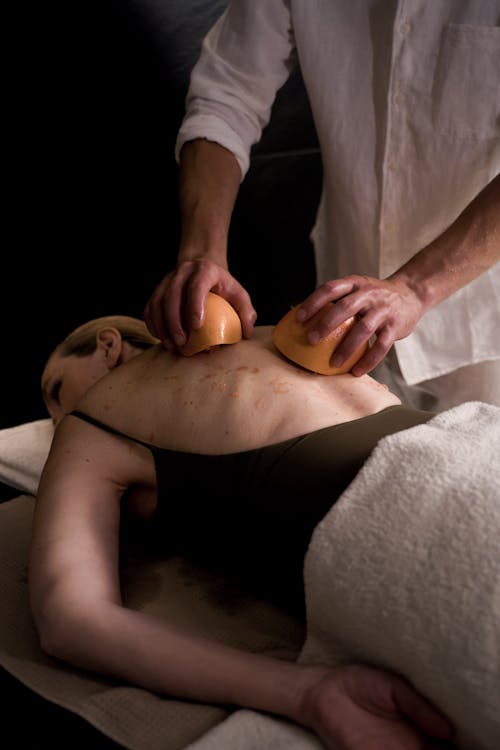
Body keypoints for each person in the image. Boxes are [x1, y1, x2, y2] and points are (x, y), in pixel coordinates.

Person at [31, 301, 455, 750]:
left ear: (107, 346)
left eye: (56, 395)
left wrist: (309, 692)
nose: (56, 423)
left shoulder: (92, 420)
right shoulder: (281, 333)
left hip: (422, 527)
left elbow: (69, 619)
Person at [143, 1, 500, 412]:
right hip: (345, 317)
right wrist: (202, 253)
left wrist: (415, 289)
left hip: (483, 326)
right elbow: (225, 97)